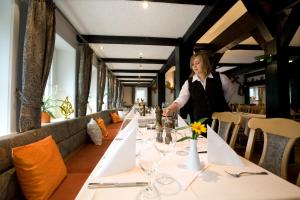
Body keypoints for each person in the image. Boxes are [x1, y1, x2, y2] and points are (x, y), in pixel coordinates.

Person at [163, 52, 233, 126]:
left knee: (222, 138)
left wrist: (220, 103)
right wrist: (170, 108)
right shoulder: (188, 83)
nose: (194, 66)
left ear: (205, 63)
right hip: (201, 122)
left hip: (222, 120)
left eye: (197, 63)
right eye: (193, 64)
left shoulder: (221, 77)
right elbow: (180, 100)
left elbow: (229, 92)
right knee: (201, 138)